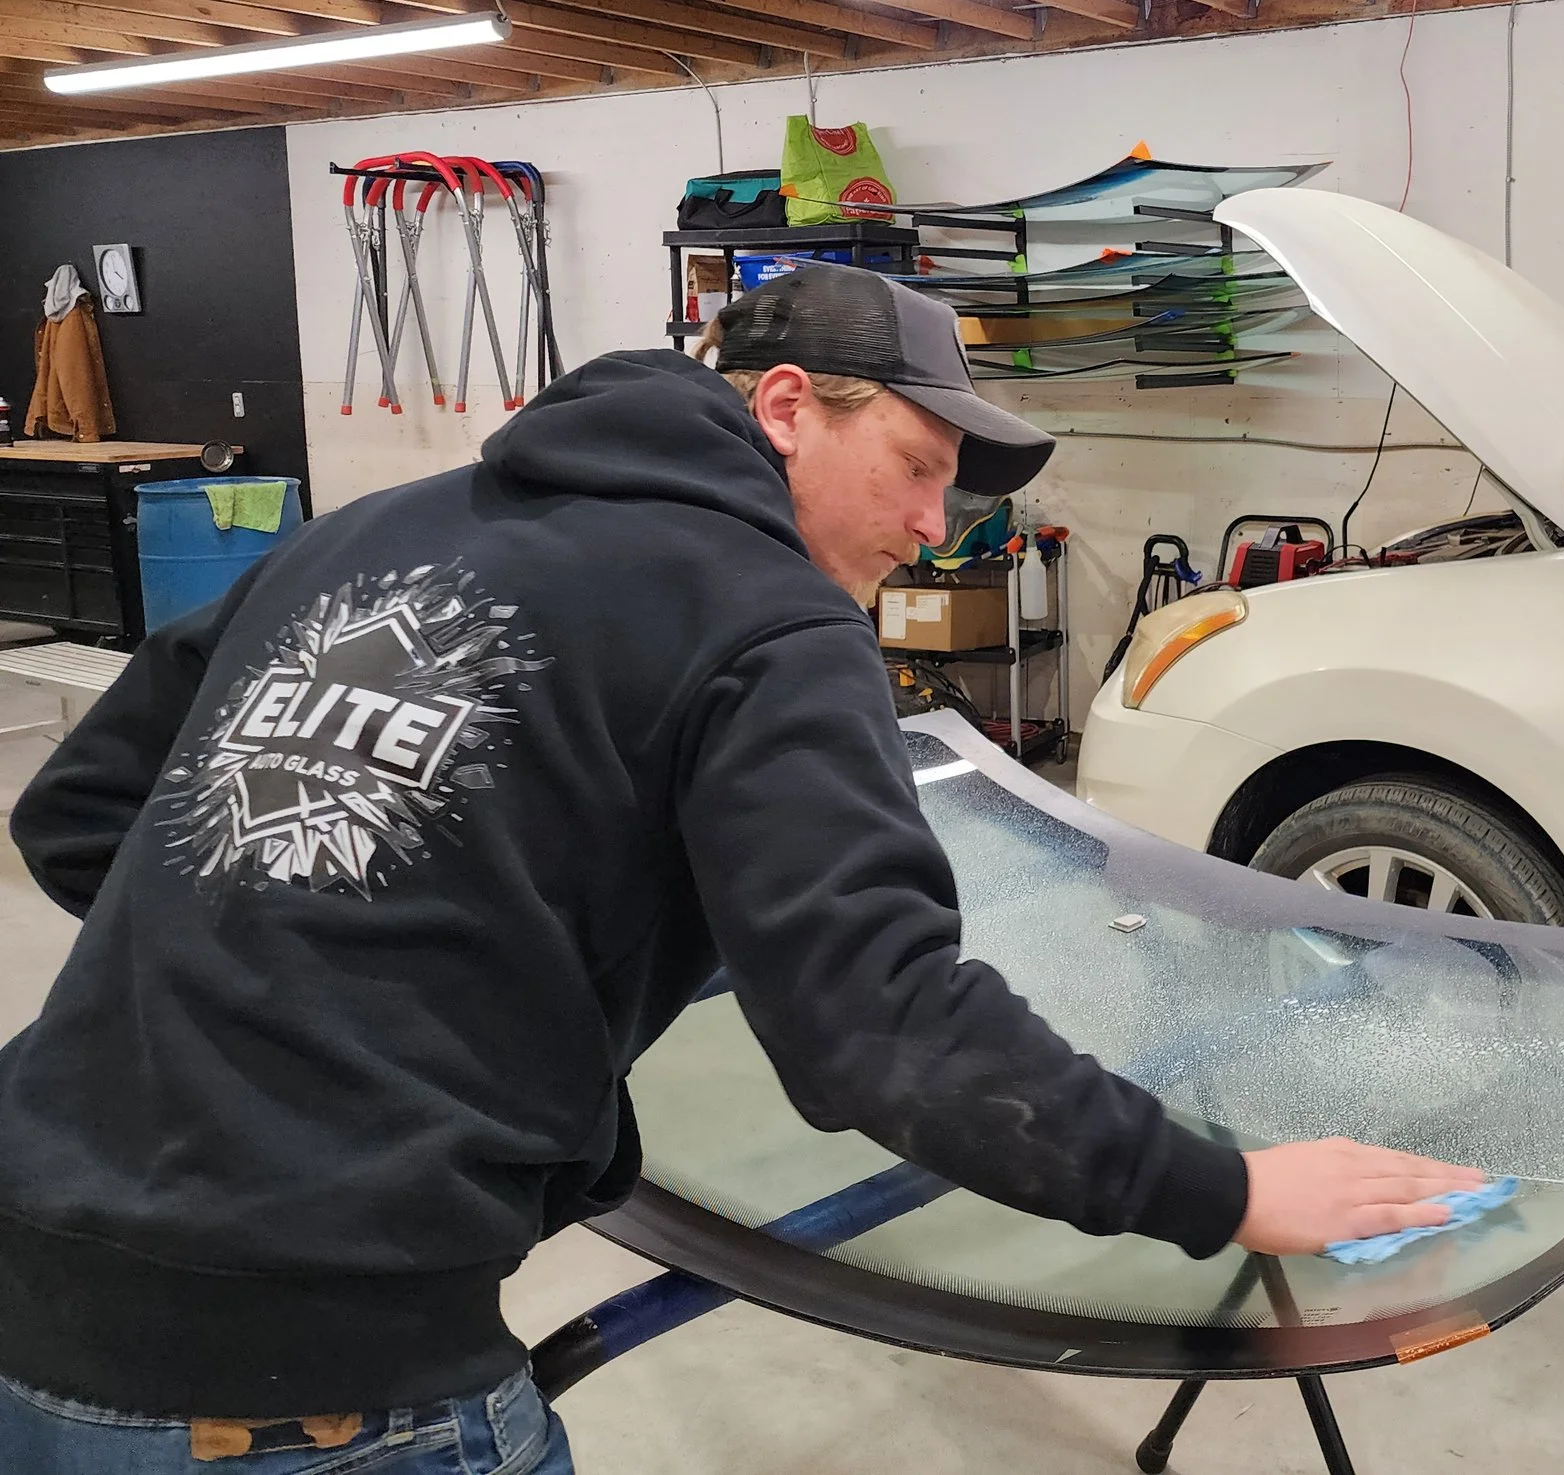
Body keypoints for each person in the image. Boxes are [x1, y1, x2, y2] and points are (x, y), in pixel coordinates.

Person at [0, 264, 1479, 1474]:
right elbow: (882, 1030)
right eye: (915, 464)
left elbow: (79, 817)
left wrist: (333, 953)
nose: (930, 524)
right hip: (314, 1379)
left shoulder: (373, 532)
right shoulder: (773, 620)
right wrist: (1222, 1189)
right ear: (785, 407)